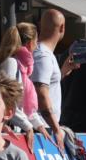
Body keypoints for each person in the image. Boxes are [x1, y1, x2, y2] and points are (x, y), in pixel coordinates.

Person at [0, 23, 47, 146]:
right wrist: (27, 126)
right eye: (36, 41)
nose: (37, 45)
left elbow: (24, 106)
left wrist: (39, 125)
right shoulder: (12, 63)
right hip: (2, 131)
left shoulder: (22, 67)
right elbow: (8, 101)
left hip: (11, 129)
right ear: (29, 43)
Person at [31, 9, 79, 148]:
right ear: (62, 28)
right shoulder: (43, 55)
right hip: (43, 130)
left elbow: (45, 86)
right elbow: (41, 93)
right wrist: (57, 128)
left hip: (44, 127)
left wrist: (63, 71)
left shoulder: (45, 53)